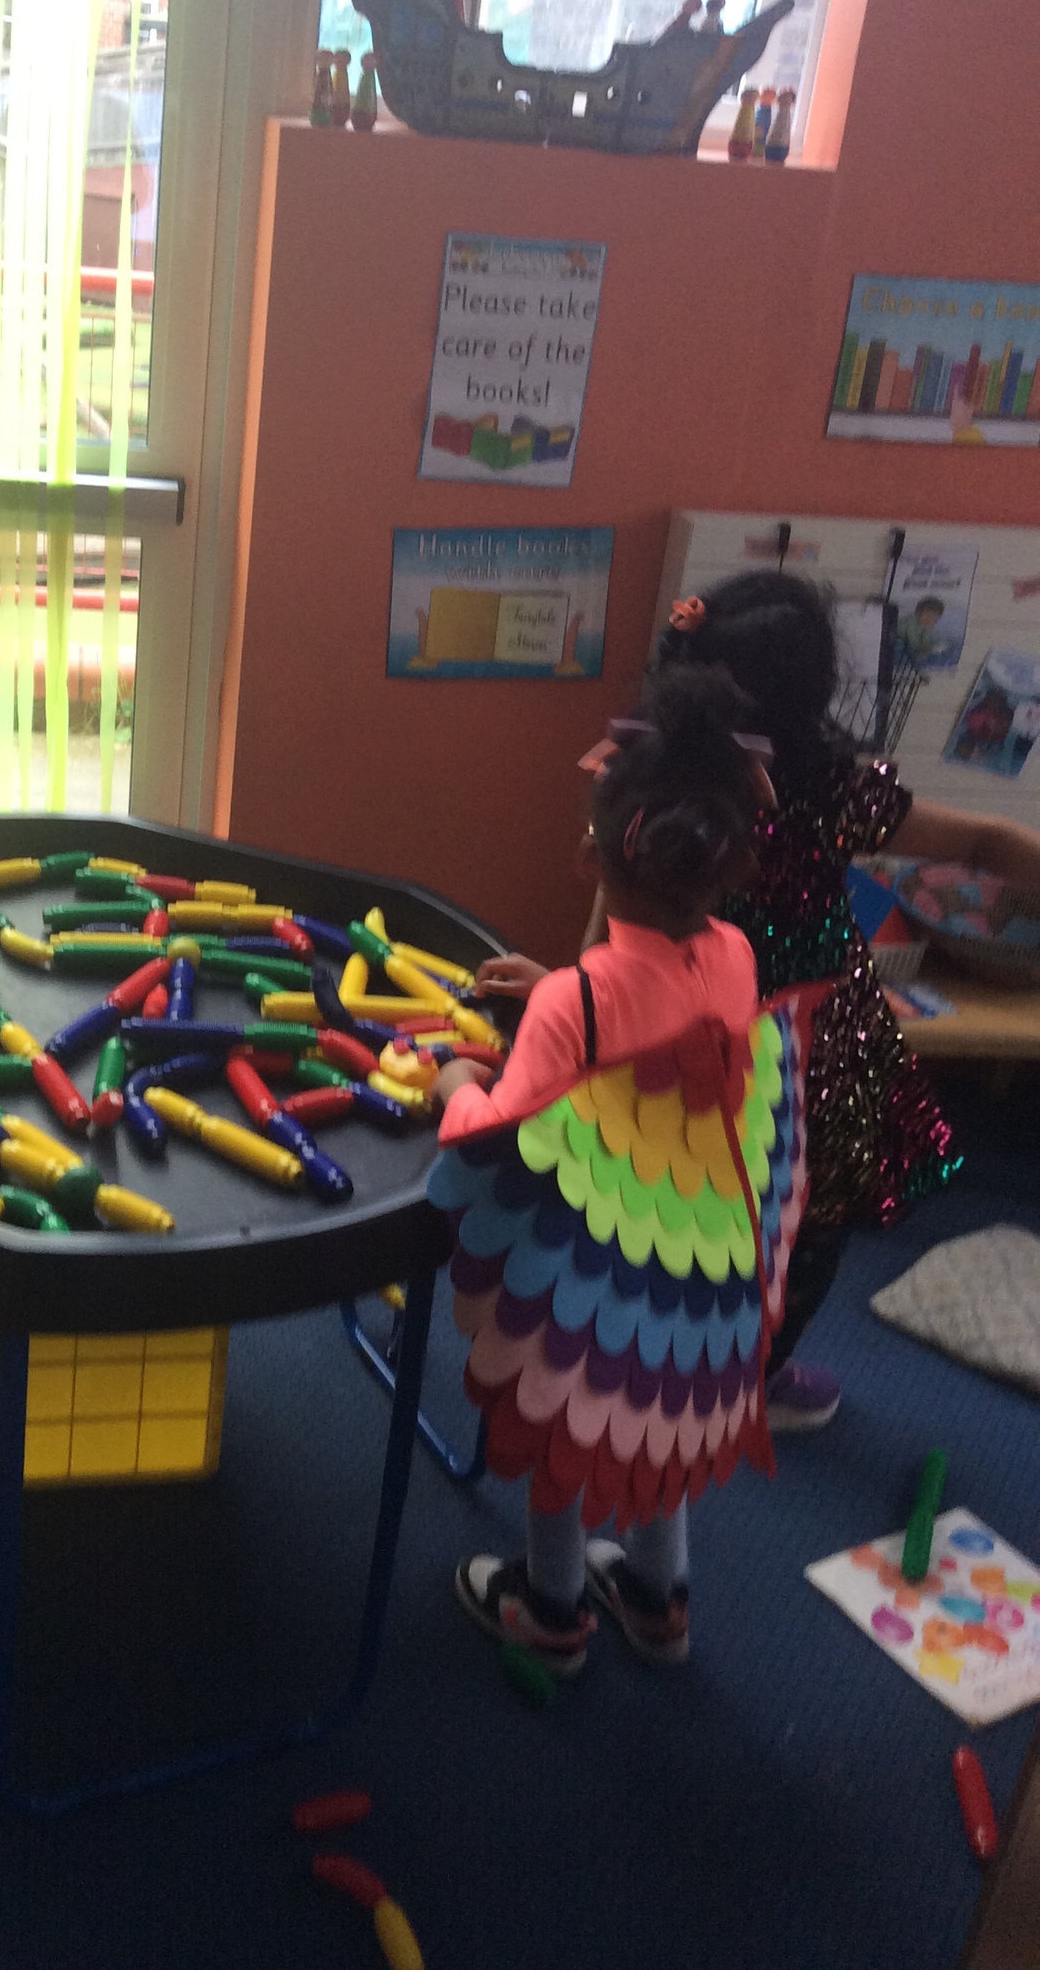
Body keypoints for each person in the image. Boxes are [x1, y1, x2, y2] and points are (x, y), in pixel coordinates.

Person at [429, 669, 816, 1677]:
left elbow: (496, 1135)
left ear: (592, 857)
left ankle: (551, 1611)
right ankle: (657, 1599)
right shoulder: (734, 953)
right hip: (706, 1261)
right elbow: (656, 1007)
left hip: (596, 1269)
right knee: (663, 1405)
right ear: (728, 863)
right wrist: (563, 982)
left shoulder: (577, 1007)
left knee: (573, 1412)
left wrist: (454, 1082)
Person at [610, 571, 1040, 1431]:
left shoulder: (657, 774)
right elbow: (986, 840)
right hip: (813, 1045)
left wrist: (588, 983)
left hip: (691, 1023)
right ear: (814, 692)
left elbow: (614, 893)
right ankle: (751, 1381)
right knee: (808, 1223)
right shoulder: (836, 788)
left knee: (669, 1197)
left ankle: (655, 1354)